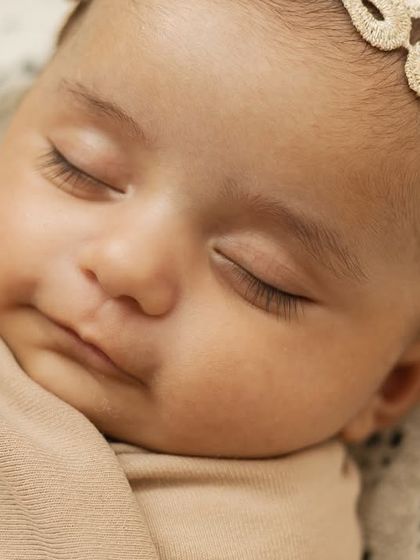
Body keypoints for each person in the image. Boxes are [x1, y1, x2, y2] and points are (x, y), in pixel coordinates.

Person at [0, 0, 419, 557]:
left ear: (387, 384)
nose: (126, 266)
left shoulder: (263, 536)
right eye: (78, 166)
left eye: (258, 276)